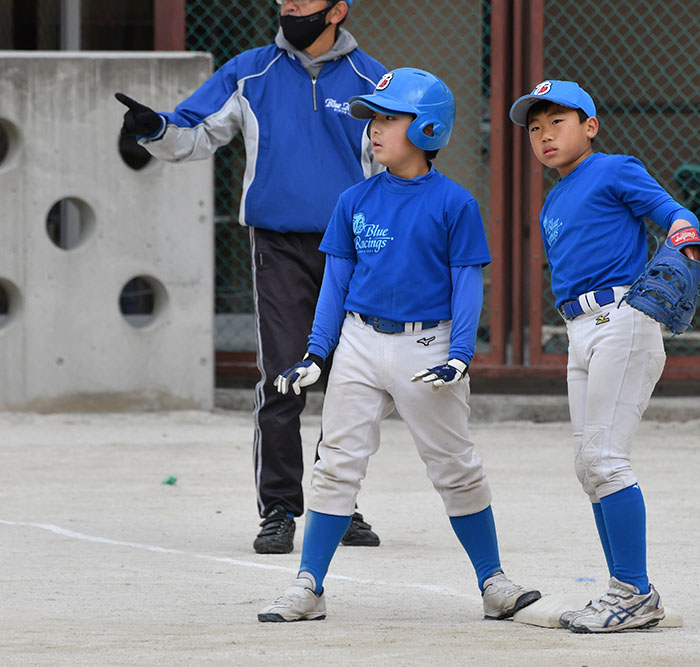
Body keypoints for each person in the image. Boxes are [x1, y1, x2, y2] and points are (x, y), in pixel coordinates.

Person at [257, 68, 541, 623]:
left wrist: (460, 353)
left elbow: (466, 283)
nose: (375, 129)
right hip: (360, 341)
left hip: (427, 347)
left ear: (429, 128)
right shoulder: (354, 199)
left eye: (390, 117)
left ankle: (493, 582)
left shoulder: (454, 203)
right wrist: (318, 353)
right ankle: (309, 585)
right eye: (374, 118)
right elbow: (335, 282)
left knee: (456, 467)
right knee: (336, 465)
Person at [114, 0, 388, 555]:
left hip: (356, 249)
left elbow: (395, 159)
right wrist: (154, 130)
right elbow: (193, 132)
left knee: (351, 385)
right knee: (285, 376)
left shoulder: (373, 80)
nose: (290, 5)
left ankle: (340, 505)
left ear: (337, 10)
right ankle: (280, 509)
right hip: (278, 246)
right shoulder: (249, 70)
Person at [508, 80, 700, 633]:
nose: (545, 135)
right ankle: (626, 591)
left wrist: (685, 241)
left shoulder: (614, 168)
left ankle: (634, 592)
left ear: (589, 127)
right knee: (589, 465)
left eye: (558, 123)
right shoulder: (553, 197)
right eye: (536, 128)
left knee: (605, 460)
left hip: (624, 317)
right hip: (579, 328)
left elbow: (673, 212)